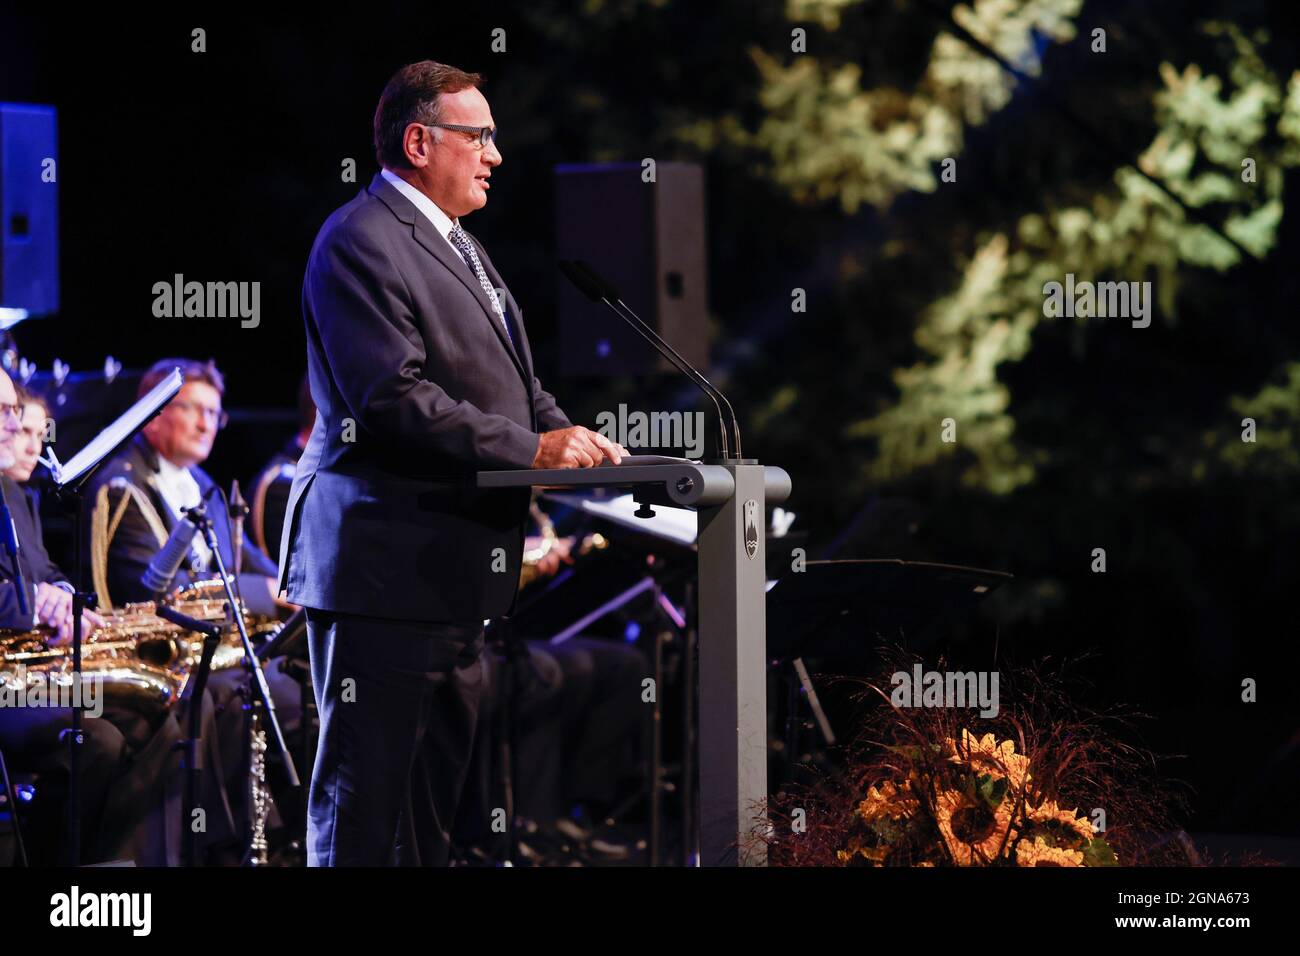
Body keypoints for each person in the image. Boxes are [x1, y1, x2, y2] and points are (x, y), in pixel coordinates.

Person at [279, 60, 625, 866]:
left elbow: (515, 383)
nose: (496, 155)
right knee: (366, 810)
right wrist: (531, 449)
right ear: (418, 140)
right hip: (383, 569)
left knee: (428, 822)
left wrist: (575, 440)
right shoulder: (359, 239)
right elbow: (390, 399)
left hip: (455, 573)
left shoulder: (460, 245)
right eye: (481, 136)